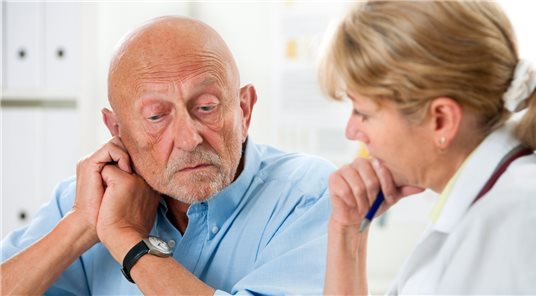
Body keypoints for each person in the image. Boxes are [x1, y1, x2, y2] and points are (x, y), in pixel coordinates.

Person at [1, 16, 334, 295]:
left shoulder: (309, 196)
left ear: (244, 111)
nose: (189, 139)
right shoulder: (86, 201)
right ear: (116, 130)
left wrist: (126, 241)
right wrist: (81, 225)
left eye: (207, 108)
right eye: (157, 116)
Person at [318, 1, 536, 295]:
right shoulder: (483, 208)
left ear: (441, 121)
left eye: (363, 113)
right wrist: (347, 231)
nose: (351, 131)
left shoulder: (527, 224)